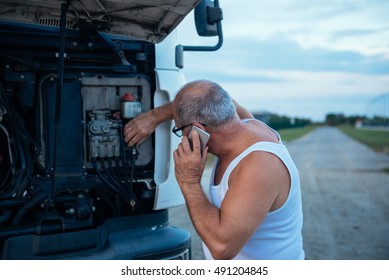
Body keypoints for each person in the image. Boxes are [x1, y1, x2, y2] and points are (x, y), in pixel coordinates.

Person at [124, 80, 304, 260]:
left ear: (197, 129)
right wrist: (153, 117)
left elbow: (222, 248)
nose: (183, 138)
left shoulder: (259, 165)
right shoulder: (243, 124)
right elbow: (203, 97)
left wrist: (189, 182)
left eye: (180, 131)